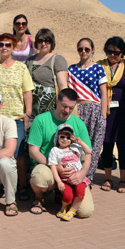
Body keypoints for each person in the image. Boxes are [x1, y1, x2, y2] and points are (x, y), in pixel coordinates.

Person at [0, 33, 34, 201]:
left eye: (8, 45)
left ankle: (22, 186)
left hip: (16, 118)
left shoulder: (21, 68)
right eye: (1, 44)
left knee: (18, 155)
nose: (4, 47)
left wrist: (28, 112)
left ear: (13, 48)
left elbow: (27, 91)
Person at [28, 88, 94, 217]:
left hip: (72, 173)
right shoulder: (41, 120)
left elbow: (88, 154)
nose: (67, 110)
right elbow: (33, 151)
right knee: (39, 176)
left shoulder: (79, 124)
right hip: (48, 167)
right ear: (57, 101)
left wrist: (82, 174)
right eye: (64, 106)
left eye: (71, 108)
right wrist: (55, 167)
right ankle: (39, 198)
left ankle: (62, 195)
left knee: (85, 212)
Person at [68, 37, 108, 182]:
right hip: (78, 110)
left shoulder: (98, 68)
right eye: (80, 49)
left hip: (95, 109)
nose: (83, 51)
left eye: (87, 49)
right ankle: (75, 175)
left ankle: (88, 178)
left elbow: (104, 93)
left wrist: (103, 116)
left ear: (92, 50)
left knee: (94, 147)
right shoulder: (71, 69)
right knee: (77, 144)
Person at [97, 37, 125, 193]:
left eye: (116, 53)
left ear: (122, 52)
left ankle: (123, 180)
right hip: (105, 112)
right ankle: (108, 178)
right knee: (107, 146)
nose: (112, 55)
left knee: (123, 146)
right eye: (109, 52)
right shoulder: (99, 66)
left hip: (123, 114)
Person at [48, 124, 92, 221]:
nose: (65, 139)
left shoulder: (75, 147)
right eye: (62, 136)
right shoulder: (55, 150)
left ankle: (72, 210)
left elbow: (88, 151)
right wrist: (59, 181)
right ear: (57, 137)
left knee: (80, 193)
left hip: (78, 179)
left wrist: (80, 142)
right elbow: (53, 167)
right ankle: (64, 207)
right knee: (68, 195)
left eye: (68, 137)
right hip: (65, 179)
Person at [25, 28, 69, 120]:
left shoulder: (57, 59)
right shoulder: (30, 60)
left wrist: (64, 107)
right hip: (31, 110)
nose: (43, 43)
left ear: (52, 42)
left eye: (47, 41)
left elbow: (63, 86)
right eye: (40, 41)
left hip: (51, 109)